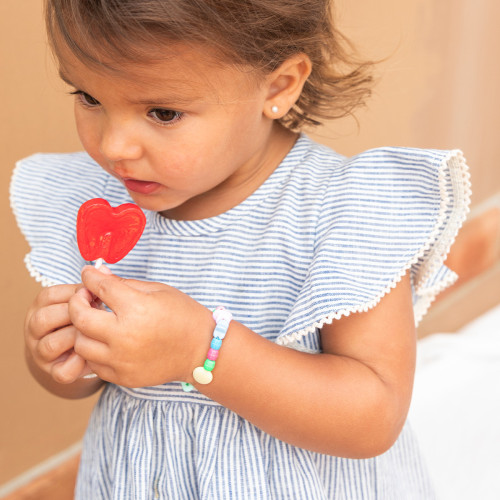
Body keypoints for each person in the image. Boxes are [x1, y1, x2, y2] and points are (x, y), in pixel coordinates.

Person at [10, 0, 471, 498]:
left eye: (163, 112)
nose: (115, 146)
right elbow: (86, 380)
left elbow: (373, 416)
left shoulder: (339, 211)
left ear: (278, 86)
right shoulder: (101, 204)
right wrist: (61, 353)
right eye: (89, 97)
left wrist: (199, 350)